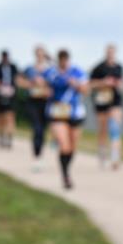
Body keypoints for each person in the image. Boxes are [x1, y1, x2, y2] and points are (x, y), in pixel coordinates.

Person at [44, 49, 88, 189]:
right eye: (61, 59)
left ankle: (67, 169)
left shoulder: (77, 72)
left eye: (65, 59)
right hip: (57, 113)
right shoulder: (52, 73)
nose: (63, 62)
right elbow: (43, 88)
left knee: (72, 147)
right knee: (64, 145)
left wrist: (76, 84)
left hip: (74, 113)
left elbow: (86, 90)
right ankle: (65, 176)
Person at [89, 44, 123, 170]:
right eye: (109, 52)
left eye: (112, 52)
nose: (111, 54)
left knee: (115, 128)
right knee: (102, 130)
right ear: (105, 53)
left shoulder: (119, 67)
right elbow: (90, 84)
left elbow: (121, 83)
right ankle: (102, 154)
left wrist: (117, 84)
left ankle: (115, 157)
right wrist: (103, 82)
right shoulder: (98, 68)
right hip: (102, 102)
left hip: (115, 101)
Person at [19, 45, 52, 171]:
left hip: (45, 102)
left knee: (43, 130)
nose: (39, 56)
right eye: (37, 53)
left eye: (41, 53)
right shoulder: (29, 69)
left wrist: (46, 87)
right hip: (33, 102)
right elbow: (19, 81)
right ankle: (36, 157)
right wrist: (31, 83)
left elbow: (55, 85)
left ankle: (41, 154)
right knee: (36, 128)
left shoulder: (50, 70)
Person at [0, 50, 19, 149]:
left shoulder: (13, 67)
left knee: (10, 117)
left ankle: (9, 139)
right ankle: (1, 137)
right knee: (0, 118)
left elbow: (18, 79)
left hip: (11, 96)